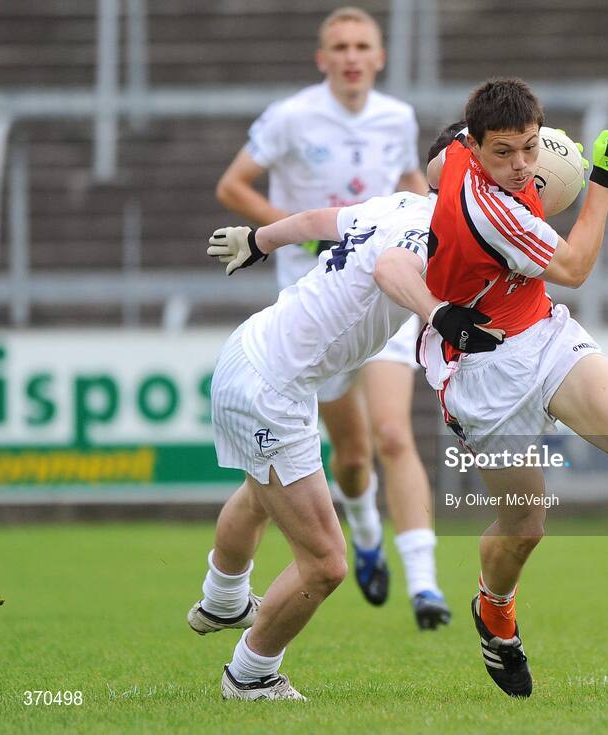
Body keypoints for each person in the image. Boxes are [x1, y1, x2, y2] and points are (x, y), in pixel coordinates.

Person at [418, 79, 608, 698]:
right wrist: (603, 181)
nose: (520, 165)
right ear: (476, 148)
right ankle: (494, 612)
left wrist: (539, 166)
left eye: (530, 147)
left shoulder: (457, 148)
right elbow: (578, 268)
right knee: (525, 527)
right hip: (482, 368)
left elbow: (432, 164)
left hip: (543, 331)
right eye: (503, 153)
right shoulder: (490, 210)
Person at [187, 191, 502, 700]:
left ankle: (221, 600)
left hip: (255, 350)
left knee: (259, 495)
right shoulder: (428, 229)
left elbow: (317, 220)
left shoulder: (400, 203)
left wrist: (256, 240)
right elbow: (391, 270)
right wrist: (438, 314)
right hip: (273, 387)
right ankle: (250, 675)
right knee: (326, 563)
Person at [214, 6, 448, 628]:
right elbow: (233, 184)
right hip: (321, 305)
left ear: (379, 57)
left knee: (394, 435)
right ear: (323, 59)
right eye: (339, 46)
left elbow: (411, 187)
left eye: (361, 45)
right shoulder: (293, 116)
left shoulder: (396, 117)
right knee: (351, 455)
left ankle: (425, 588)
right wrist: (277, 236)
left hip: (392, 293)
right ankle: (366, 531)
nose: (350, 56)